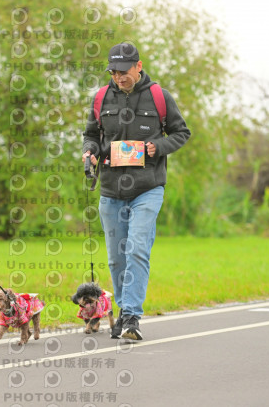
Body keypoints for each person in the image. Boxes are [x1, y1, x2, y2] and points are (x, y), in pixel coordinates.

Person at [82, 43, 191, 341]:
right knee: (117, 259)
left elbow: (182, 132)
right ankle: (123, 310)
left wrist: (159, 147)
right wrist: (90, 152)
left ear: (138, 66)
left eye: (124, 71)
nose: (119, 77)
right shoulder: (101, 98)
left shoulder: (159, 96)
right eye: (114, 72)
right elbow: (91, 135)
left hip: (148, 188)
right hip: (111, 190)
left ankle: (131, 315)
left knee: (137, 249)